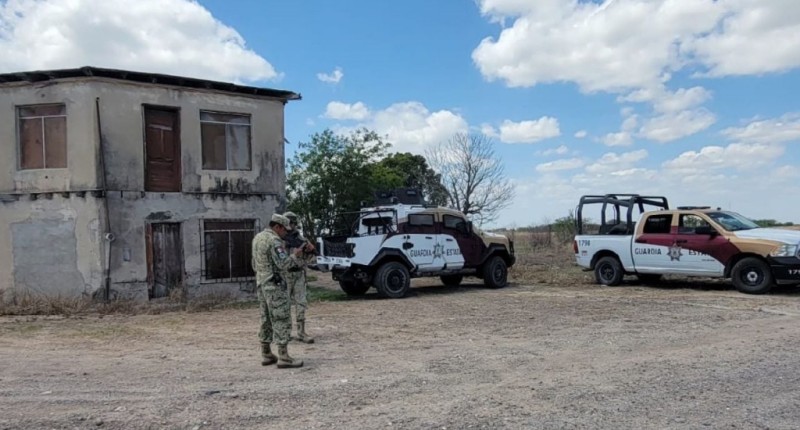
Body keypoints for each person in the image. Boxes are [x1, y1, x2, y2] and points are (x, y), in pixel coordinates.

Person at [252, 213, 305, 368]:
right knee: (281, 318)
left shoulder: (258, 238)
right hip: (275, 285)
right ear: (277, 226)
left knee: (265, 318)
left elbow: (254, 263)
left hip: (262, 283)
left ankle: (266, 353)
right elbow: (283, 264)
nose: (286, 233)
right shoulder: (274, 241)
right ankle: (284, 357)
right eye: (284, 230)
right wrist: (295, 256)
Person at [282, 211, 316, 344]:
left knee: (301, 303)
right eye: (289, 223)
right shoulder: (278, 240)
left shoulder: (301, 239)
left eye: (292, 223)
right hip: (285, 274)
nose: (291, 226)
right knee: (284, 304)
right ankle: (284, 332)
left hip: (299, 274)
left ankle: (301, 332)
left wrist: (309, 250)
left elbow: (309, 258)